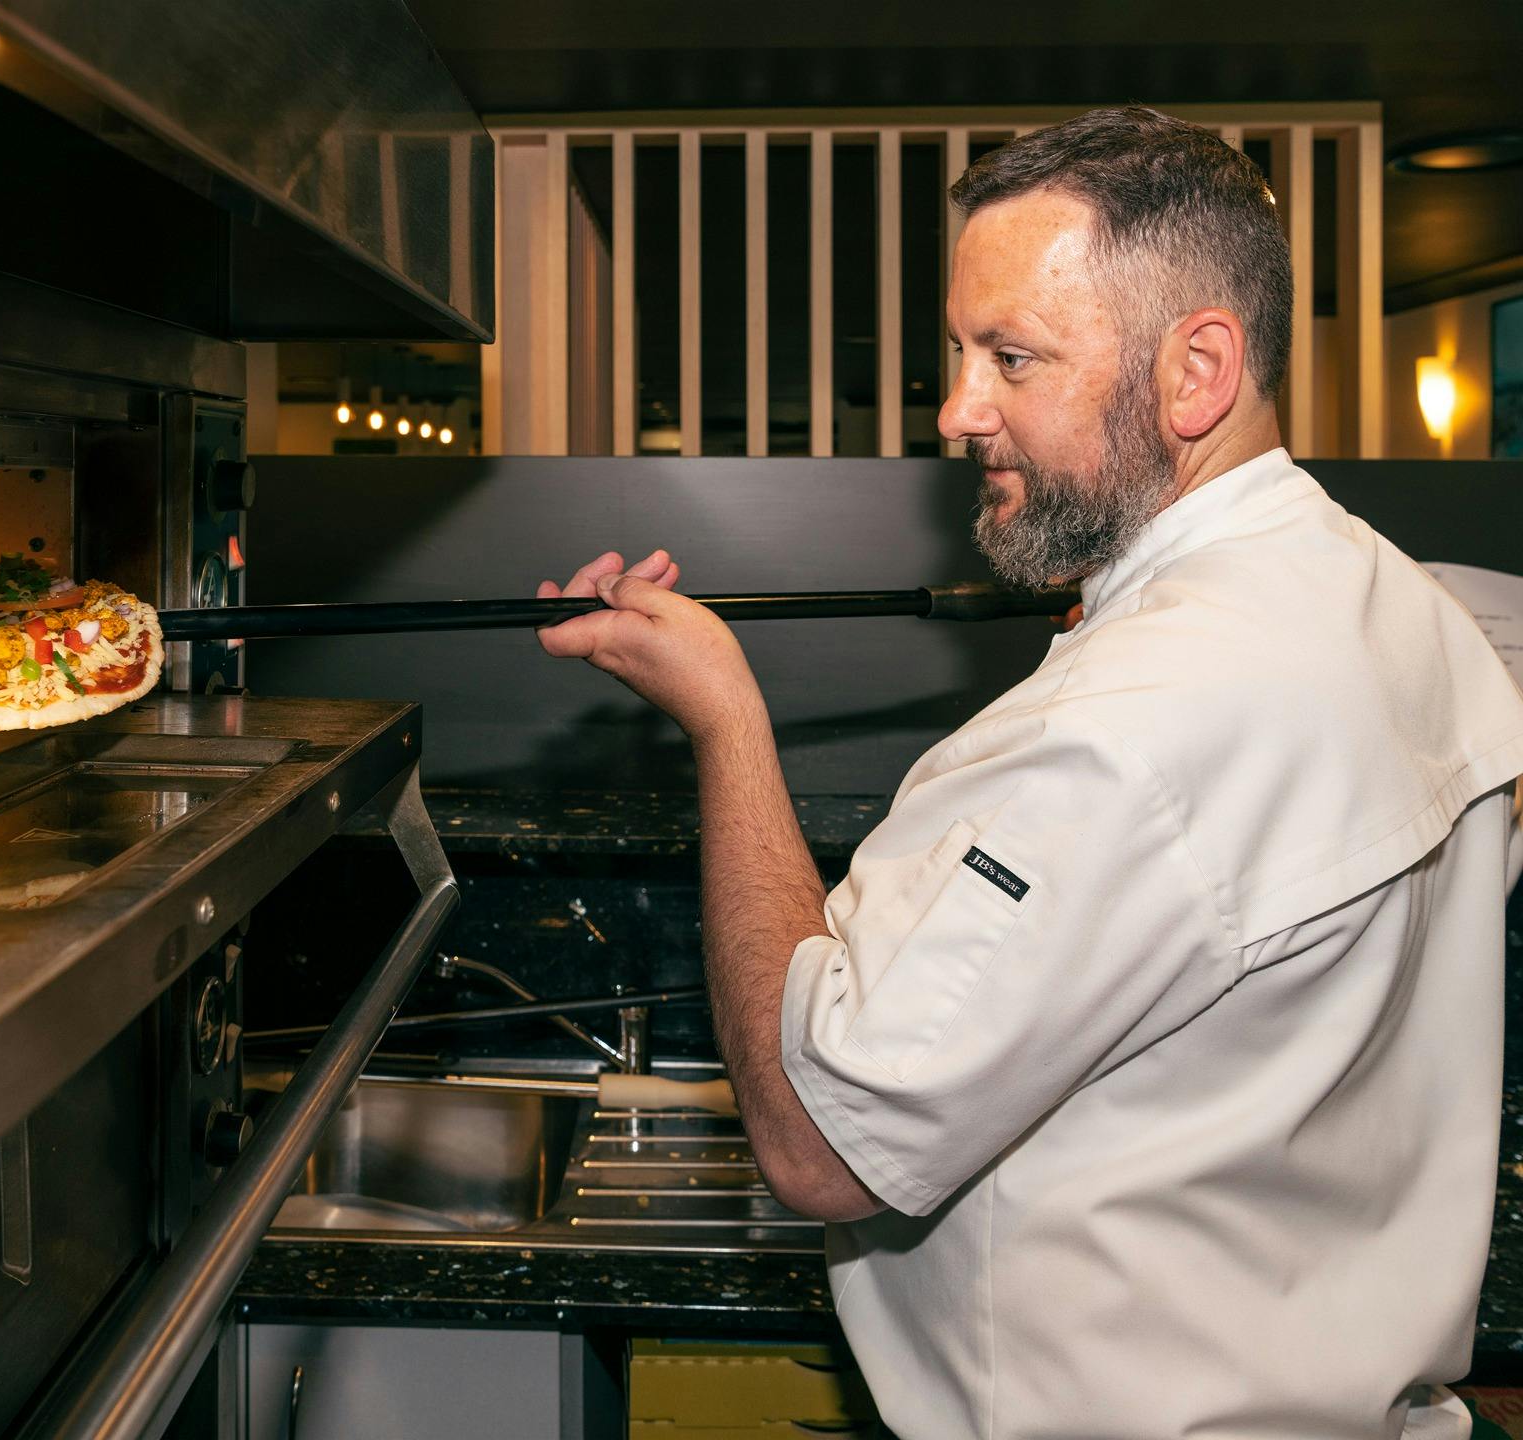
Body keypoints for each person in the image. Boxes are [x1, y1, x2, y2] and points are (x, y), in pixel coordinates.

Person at [536, 106, 1523, 1439]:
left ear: (1198, 372)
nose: (956, 410)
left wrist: (724, 722)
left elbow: (820, 1145)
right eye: (960, 352)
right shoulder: (1408, 607)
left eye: (1013, 357)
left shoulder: (1130, 728)